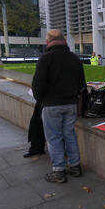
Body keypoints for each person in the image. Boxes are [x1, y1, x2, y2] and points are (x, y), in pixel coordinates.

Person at [32, 29, 87, 183]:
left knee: (54, 138)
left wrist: (40, 98)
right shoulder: (74, 59)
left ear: (48, 42)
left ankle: (59, 171)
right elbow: (81, 84)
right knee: (70, 135)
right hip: (71, 104)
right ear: (64, 40)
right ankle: (75, 166)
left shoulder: (45, 59)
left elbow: (38, 85)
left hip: (51, 105)